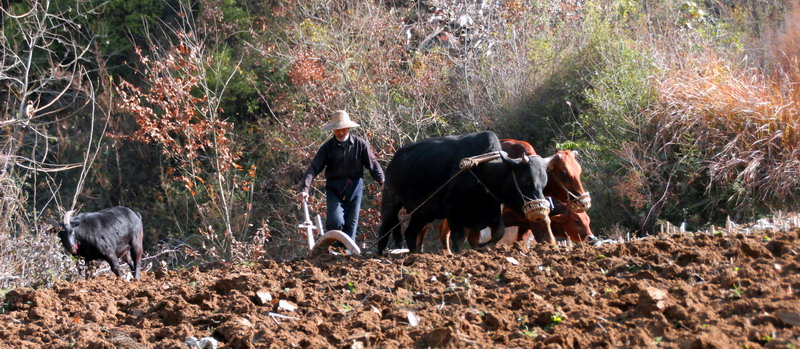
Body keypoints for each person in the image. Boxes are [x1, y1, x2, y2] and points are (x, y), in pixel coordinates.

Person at [297, 110, 385, 242]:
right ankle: (334, 250)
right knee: (335, 222)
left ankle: (346, 256)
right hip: (334, 188)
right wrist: (304, 189)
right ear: (333, 130)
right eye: (338, 130)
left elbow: (373, 165)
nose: (341, 132)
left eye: (343, 129)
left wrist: (382, 181)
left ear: (348, 128)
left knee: (351, 224)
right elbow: (313, 168)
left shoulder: (360, 144)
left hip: (355, 186)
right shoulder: (327, 148)